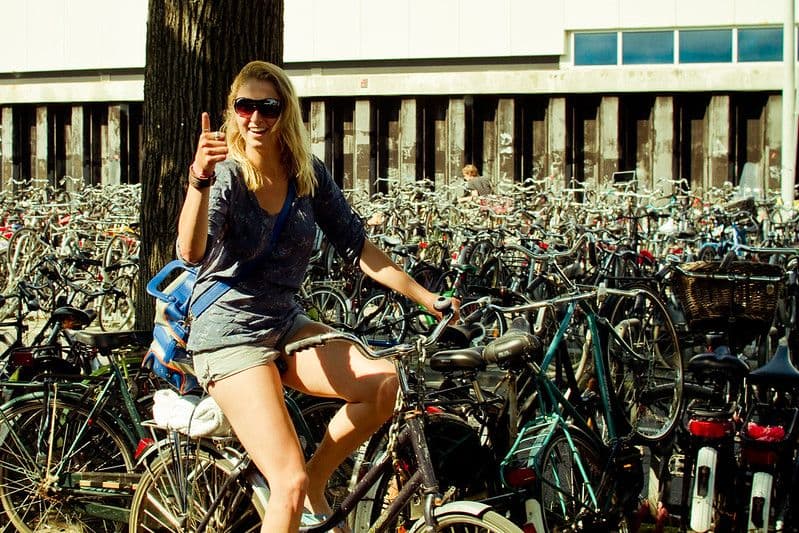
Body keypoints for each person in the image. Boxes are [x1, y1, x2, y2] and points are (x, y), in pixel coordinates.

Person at [178, 60, 457, 533]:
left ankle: (319, 481)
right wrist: (198, 178)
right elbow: (190, 252)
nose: (255, 118)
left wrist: (426, 298)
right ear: (233, 110)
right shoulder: (226, 175)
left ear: (285, 111)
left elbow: (358, 246)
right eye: (245, 106)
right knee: (285, 483)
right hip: (228, 333)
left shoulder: (306, 174)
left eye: (268, 107)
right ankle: (299, 488)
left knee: (386, 384)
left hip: (283, 322)